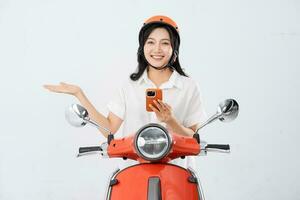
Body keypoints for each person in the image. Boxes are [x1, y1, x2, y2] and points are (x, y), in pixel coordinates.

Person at [44, 15, 207, 169]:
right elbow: (109, 129)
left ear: (174, 49)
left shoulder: (188, 86)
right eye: (151, 42)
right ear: (142, 47)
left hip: (177, 172)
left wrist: (171, 121)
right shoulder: (130, 85)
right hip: (134, 171)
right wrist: (79, 93)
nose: (157, 49)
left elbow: (193, 139)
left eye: (165, 43)